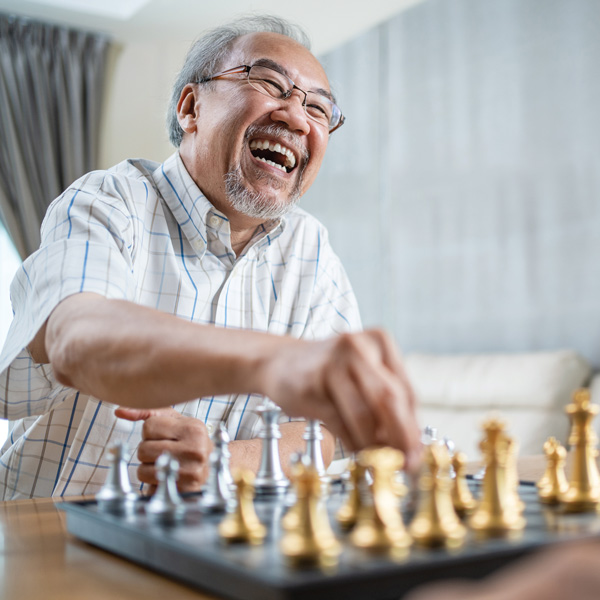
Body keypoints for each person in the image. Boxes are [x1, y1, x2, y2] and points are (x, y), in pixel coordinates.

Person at [0, 15, 420, 500]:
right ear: (190, 107)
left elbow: (319, 434)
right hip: (47, 539)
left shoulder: (311, 248)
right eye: (268, 82)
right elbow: (76, 338)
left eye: (320, 110)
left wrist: (222, 458)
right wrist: (273, 362)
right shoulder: (110, 199)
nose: (298, 118)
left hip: (208, 550)